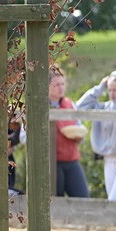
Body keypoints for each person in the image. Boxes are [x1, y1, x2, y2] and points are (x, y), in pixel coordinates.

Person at [76, 70, 116, 201]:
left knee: (113, 201)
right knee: (113, 203)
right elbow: (78, 107)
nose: (113, 93)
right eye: (110, 89)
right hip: (108, 160)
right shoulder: (102, 108)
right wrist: (100, 87)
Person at [48, 68, 88, 198]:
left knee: (84, 200)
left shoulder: (70, 104)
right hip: (51, 163)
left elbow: (79, 126)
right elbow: (25, 138)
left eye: (62, 84)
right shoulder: (40, 105)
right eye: (57, 84)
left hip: (71, 160)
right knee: (55, 204)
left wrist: (79, 136)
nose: (61, 88)